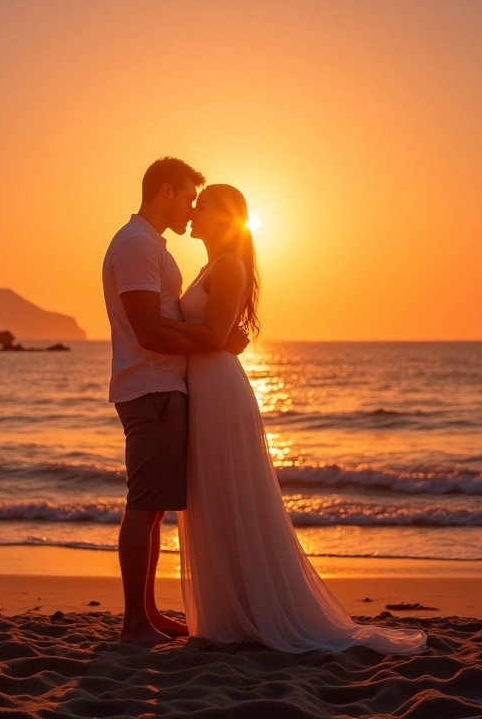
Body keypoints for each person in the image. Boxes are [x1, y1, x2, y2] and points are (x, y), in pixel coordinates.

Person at [160, 184, 427, 654]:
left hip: (220, 391)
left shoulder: (228, 265)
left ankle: (250, 614)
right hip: (204, 388)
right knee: (212, 498)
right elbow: (215, 335)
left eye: (204, 205)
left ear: (224, 218)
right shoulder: (209, 267)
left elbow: (215, 336)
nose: (194, 211)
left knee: (230, 495)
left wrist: (161, 327)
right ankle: (229, 614)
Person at [101, 158, 247, 644]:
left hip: (161, 387)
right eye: (188, 197)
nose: (190, 209)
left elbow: (162, 322)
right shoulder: (138, 245)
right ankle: (134, 624)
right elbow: (148, 331)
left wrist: (214, 339)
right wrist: (215, 340)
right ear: (165, 191)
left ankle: (147, 613)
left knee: (154, 509)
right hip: (152, 388)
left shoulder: (149, 245)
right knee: (143, 506)